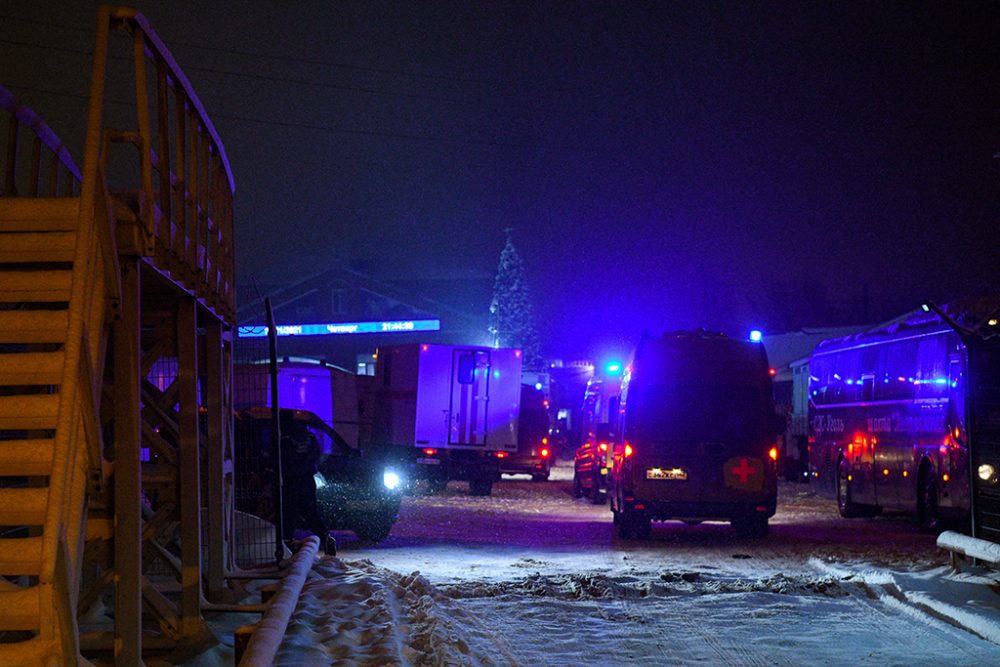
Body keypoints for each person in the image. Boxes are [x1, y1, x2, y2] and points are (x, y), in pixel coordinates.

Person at [280, 412, 335, 555]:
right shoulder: (309, 437)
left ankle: (286, 545)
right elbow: (316, 456)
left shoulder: (284, 438)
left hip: (291, 480)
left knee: (288, 513)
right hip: (306, 479)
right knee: (310, 512)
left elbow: (281, 460)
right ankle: (327, 539)